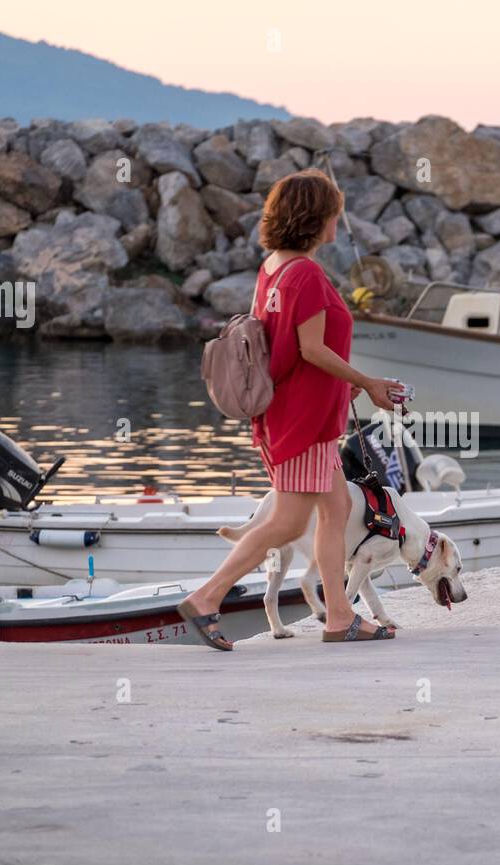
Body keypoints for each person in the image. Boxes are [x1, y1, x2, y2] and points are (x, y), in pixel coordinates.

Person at [178, 169, 403, 650]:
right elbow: (311, 350)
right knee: (286, 523)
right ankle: (206, 597)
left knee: (337, 506)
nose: (336, 227)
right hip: (300, 422)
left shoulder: (273, 267)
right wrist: (367, 382)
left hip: (302, 415)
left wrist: (344, 391)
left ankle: (340, 616)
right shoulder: (304, 273)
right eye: (333, 216)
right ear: (314, 218)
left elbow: (286, 351)